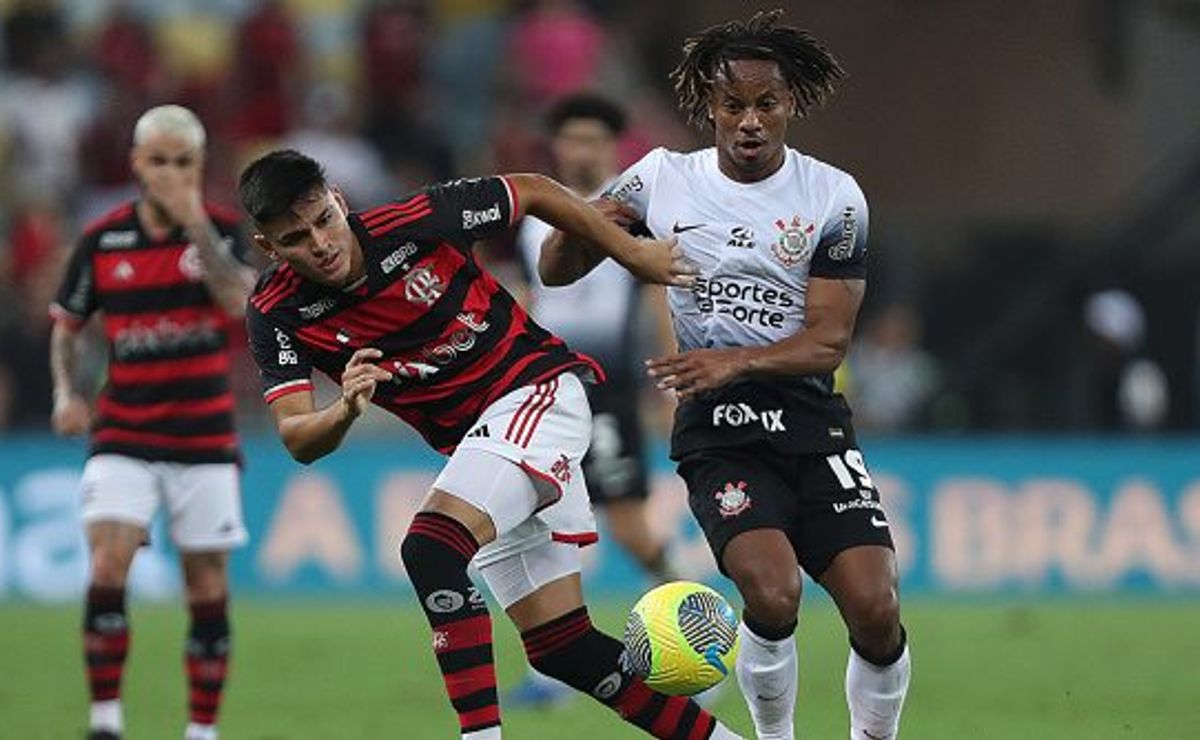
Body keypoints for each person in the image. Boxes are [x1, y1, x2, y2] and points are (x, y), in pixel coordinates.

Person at [237, 149, 740, 740]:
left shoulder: (412, 225)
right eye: (296, 238)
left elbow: (532, 189)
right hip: (482, 444)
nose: (320, 243)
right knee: (563, 647)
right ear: (269, 248)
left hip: (537, 392)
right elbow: (298, 436)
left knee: (430, 548)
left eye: (324, 219)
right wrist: (343, 410)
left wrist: (631, 254)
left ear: (339, 201)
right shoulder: (276, 313)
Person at [539, 10, 911, 740]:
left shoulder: (833, 197)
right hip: (719, 429)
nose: (748, 121)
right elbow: (554, 267)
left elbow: (828, 343)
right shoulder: (661, 180)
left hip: (811, 420)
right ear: (708, 107)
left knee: (876, 607)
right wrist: (611, 231)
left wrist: (730, 360)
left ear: (790, 105)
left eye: (764, 105)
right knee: (772, 596)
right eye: (732, 105)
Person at [49, 105, 256, 740]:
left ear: (200, 167)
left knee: (206, 586)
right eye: (158, 161)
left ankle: (201, 730)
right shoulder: (102, 239)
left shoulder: (221, 230)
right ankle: (106, 723)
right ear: (137, 163)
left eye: (183, 162)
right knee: (108, 564)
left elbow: (239, 303)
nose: (169, 173)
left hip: (204, 434)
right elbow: (67, 326)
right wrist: (67, 392)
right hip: (124, 429)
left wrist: (194, 222)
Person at [507, 93, 682, 707]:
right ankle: (552, 670)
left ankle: (693, 625)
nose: (581, 149)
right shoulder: (533, 215)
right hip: (544, 391)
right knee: (540, 526)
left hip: (607, 391)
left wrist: (669, 381)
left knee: (631, 530)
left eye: (592, 140)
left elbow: (658, 292)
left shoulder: (631, 211)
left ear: (612, 147)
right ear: (557, 146)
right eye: (571, 138)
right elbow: (530, 297)